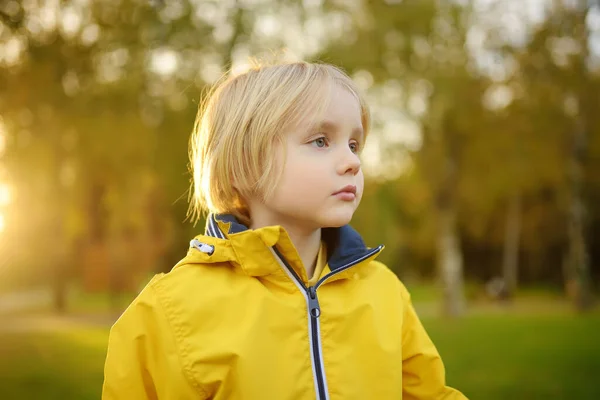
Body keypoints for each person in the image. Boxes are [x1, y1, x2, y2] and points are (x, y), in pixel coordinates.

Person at [102, 60, 467, 400]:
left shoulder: (385, 292)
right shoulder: (165, 312)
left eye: (354, 144)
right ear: (243, 166)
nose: (353, 162)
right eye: (321, 141)